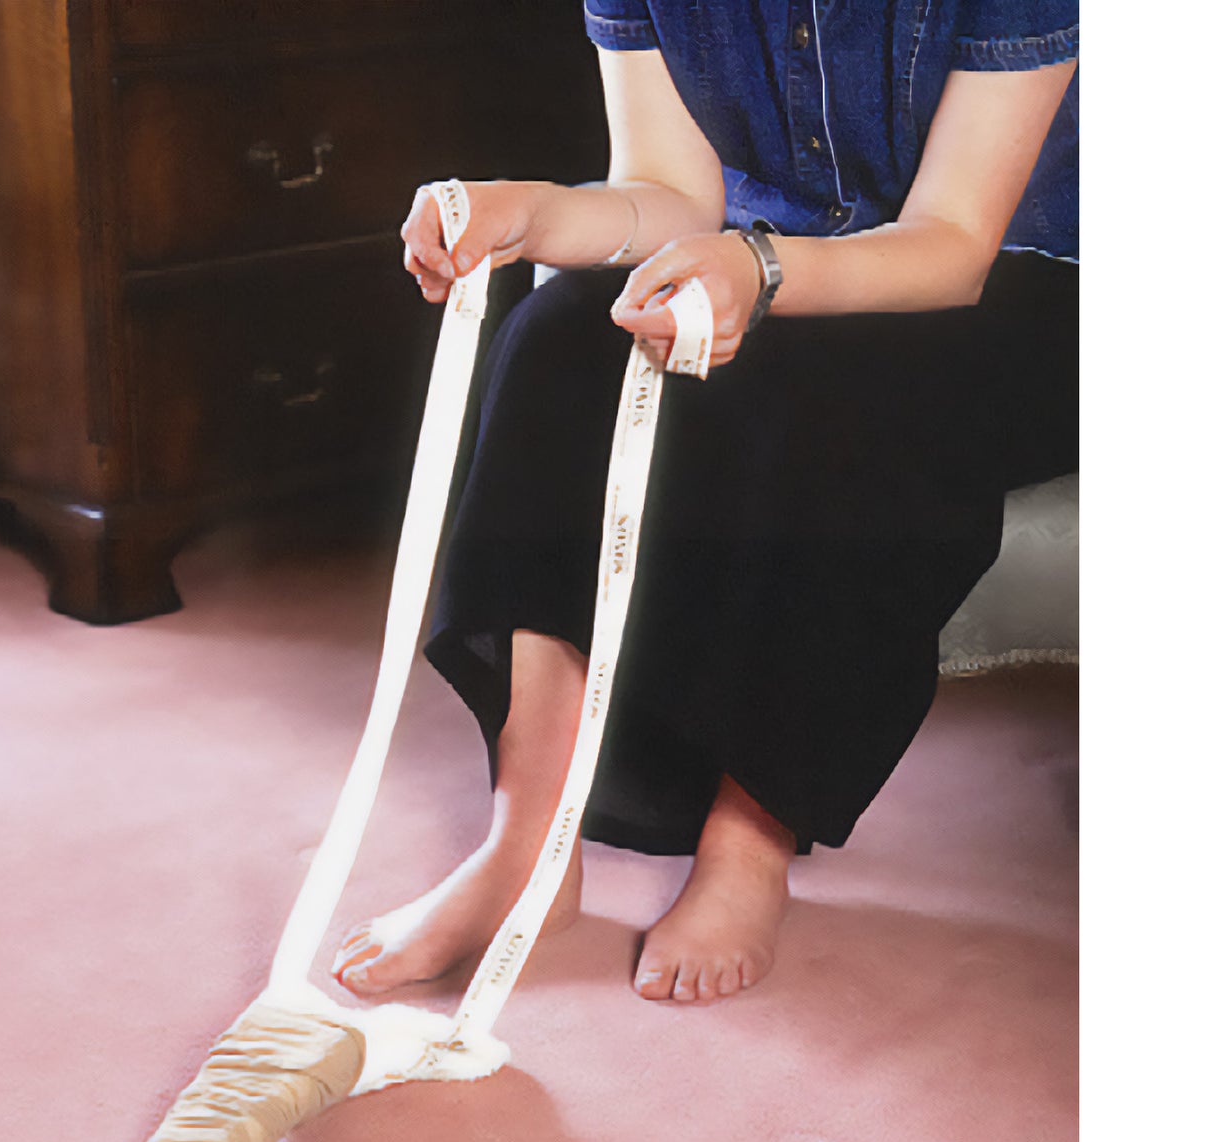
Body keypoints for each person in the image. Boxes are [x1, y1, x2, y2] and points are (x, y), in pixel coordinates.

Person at [332, 2, 1078, 1006]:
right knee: (555, 335)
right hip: (766, 258)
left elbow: (950, 244)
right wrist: (531, 213)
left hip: (1019, 285)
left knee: (858, 397)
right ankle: (527, 842)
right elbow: (670, 195)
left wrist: (759, 270)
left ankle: (747, 841)